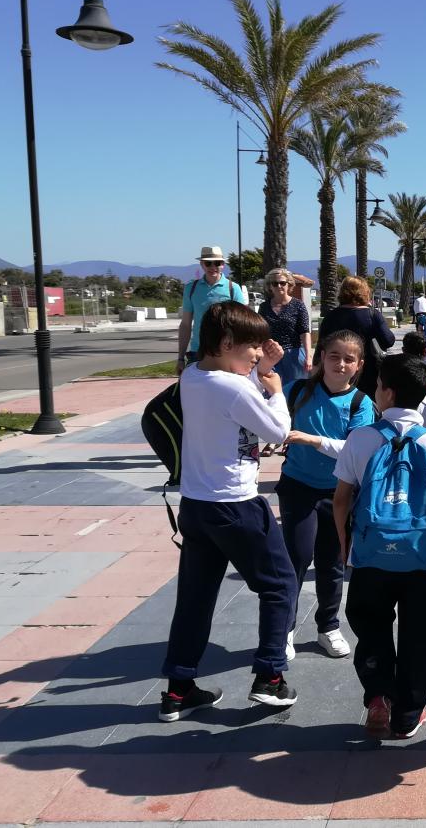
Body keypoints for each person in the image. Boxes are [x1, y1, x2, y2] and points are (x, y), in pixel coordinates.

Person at [159, 301, 297, 722]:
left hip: (196, 506)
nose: (257, 353)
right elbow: (278, 430)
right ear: (224, 343)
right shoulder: (235, 388)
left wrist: (258, 371)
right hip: (236, 505)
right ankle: (270, 677)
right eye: (251, 346)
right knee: (280, 586)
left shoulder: (192, 376)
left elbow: (232, 397)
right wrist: (276, 390)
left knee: (195, 599)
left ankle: (179, 690)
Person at [333, 354, 426, 740]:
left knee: (371, 625)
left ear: (387, 392)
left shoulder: (361, 438)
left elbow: (341, 499)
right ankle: (409, 714)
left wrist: (345, 546)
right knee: (421, 632)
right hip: (420, 553)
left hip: (371, 552)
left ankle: (378, 696)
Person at [278, 330, 375, 661]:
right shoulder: (296, 391)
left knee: (332, 562)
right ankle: (285, 629)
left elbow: (354, 449)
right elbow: (267, 416)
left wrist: (312, 440)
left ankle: (328, 627)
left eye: (349, 359)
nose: (341, 364)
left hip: (339, 492)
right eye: (334, 356)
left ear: (359, 365)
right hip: (297, 487)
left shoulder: (361, 403)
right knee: (297, 557)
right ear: (321, 357)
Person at [318, 277, 396, 396]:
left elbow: (320, 347)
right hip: (368, 372)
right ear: (365, 292)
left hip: (337, 371)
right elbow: (388, 341)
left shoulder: (331, 316)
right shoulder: (372, 315)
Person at [177, 246, 248, 373]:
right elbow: (186, 324)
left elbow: (242, 324)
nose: (213, 267)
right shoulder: (191, 288)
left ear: (223, 265)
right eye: (208, 263)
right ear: (202, 264)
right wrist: (180, 358)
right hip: (198, 352)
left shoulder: (233, 288)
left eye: (217, 263)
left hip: (225, 353)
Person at [259, 268, 312, 385]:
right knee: (271, 389)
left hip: (294, 354)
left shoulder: (298, 305)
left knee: (296, 390)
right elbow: (260, 332)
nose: (279, 286)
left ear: (289, 284)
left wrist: (308, 356)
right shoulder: (264, 307)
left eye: (282, 283)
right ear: (270, 286)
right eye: (275, 283)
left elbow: (305, 332)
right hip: (271, 354)